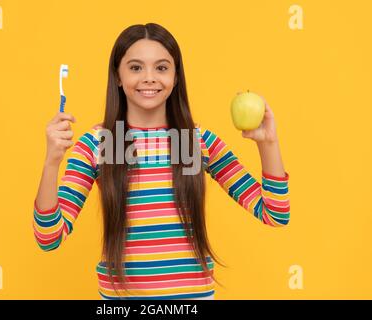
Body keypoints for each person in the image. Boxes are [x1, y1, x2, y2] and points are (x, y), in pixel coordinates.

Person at [33, 23, 290, 300]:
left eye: (162, 68)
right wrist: (51, 162)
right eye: (135, 68)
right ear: (117, 76)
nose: (149, 78)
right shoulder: (98, 143)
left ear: (176, 77)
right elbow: (49, 238)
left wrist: (268, 143)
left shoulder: (198, 141)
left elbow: (274, 213)